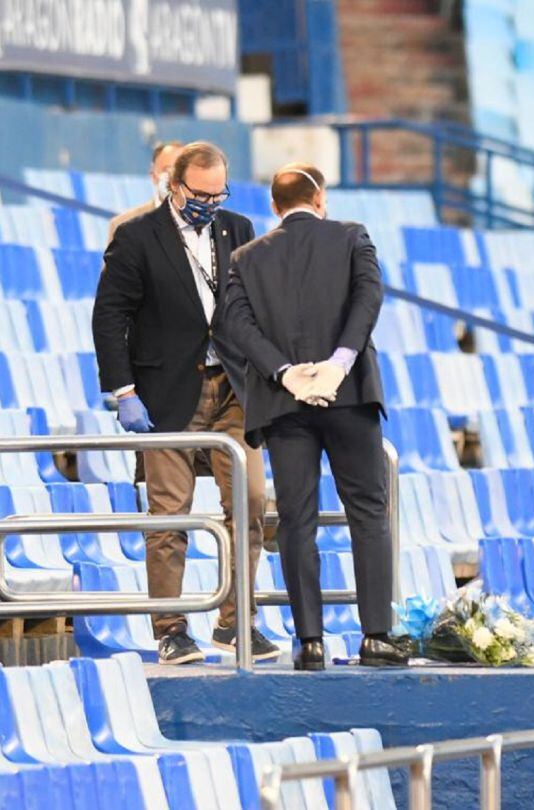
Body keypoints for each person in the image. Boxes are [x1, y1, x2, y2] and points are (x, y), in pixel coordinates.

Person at [92, 142, 280, 665]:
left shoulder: (237, 229)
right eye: (200, 194)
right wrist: (124, 391)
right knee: (168, 517)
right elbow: (109, 317)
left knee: (249, 506)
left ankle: (236, 620)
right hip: (167, 393)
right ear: (175, 186)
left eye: (219, 193)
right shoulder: (136, 238)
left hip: (236, 390)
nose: (210, 203)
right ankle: (170, 628)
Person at [224, 163, 409, 671]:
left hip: (284, 405)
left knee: (297, 521)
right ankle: (375, 636)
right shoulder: (352, 236)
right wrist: (339, 363)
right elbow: (369, 297)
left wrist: (285, 373)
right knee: (368, 512)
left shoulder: (246, 257)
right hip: (348, 397)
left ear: (274, 207)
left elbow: (234, 323)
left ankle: (309, 643)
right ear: (320, 198)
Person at [107, 140, 184, 243]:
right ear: (153, 175)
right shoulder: (123, 225)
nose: (174, 177)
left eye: (181, 171)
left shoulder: (205, 225)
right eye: (168, 170)